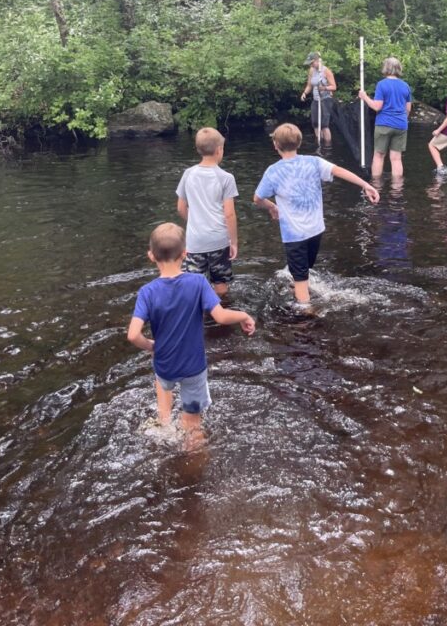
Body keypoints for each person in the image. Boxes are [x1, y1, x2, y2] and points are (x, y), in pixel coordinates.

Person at [127, 222, 255, 443]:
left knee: (162, 382)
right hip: (193, 367)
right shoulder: (198, 283)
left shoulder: (147, 292)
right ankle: (193, 455)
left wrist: (151, 346)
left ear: (151, 256)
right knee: (193, 423)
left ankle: (164, 421)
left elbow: (132, 335)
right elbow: (221, 317)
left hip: (165, 365)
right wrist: (244, 315)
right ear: (185, 254)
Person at [253, 122, 380, 305]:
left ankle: (307, 314)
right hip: (316, 231)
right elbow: (339, 171)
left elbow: (257, 199)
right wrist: (365, 185)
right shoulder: (313, 162)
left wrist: (271, 206)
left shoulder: (273, 172)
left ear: (275, 145)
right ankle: (302, 290)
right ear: (299, 142)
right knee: (303, 272)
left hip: (294, 237)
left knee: (300, 280)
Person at [176, 127, 238, 297]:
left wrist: (194, 221)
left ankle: (200, 312)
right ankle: (221, 310)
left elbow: (180, 207)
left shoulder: (188, 174)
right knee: (220, 283)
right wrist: (233, 242)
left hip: (195, 241)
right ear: (219, 150)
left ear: (198, 150)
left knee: (195, 285)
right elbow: (229, 214)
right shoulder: (226, 177)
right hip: (219, 240)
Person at [358, 56, 413, 178]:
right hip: (401, 125)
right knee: (396, 158)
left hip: (384, 124)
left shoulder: (382, 85)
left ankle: (376, 185)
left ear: (386, 68)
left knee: (379, 155)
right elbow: (408, 109)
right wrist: (402, 119)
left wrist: (365, 97)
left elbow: (377, 107)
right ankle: (397, 187)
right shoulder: (405, 85)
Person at [300, 51, 337, 146]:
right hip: (315, 99)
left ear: (317, 61)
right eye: (310, 64)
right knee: (315, 123)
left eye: (312, 63)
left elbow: (334, 87)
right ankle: (319, 143)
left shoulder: (326, 71)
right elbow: (309, 85)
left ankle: (327, 145)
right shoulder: (311, 70)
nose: (311, 65)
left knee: (324, 125)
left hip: (326, 99)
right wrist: (304, 93)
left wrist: (324, 88)